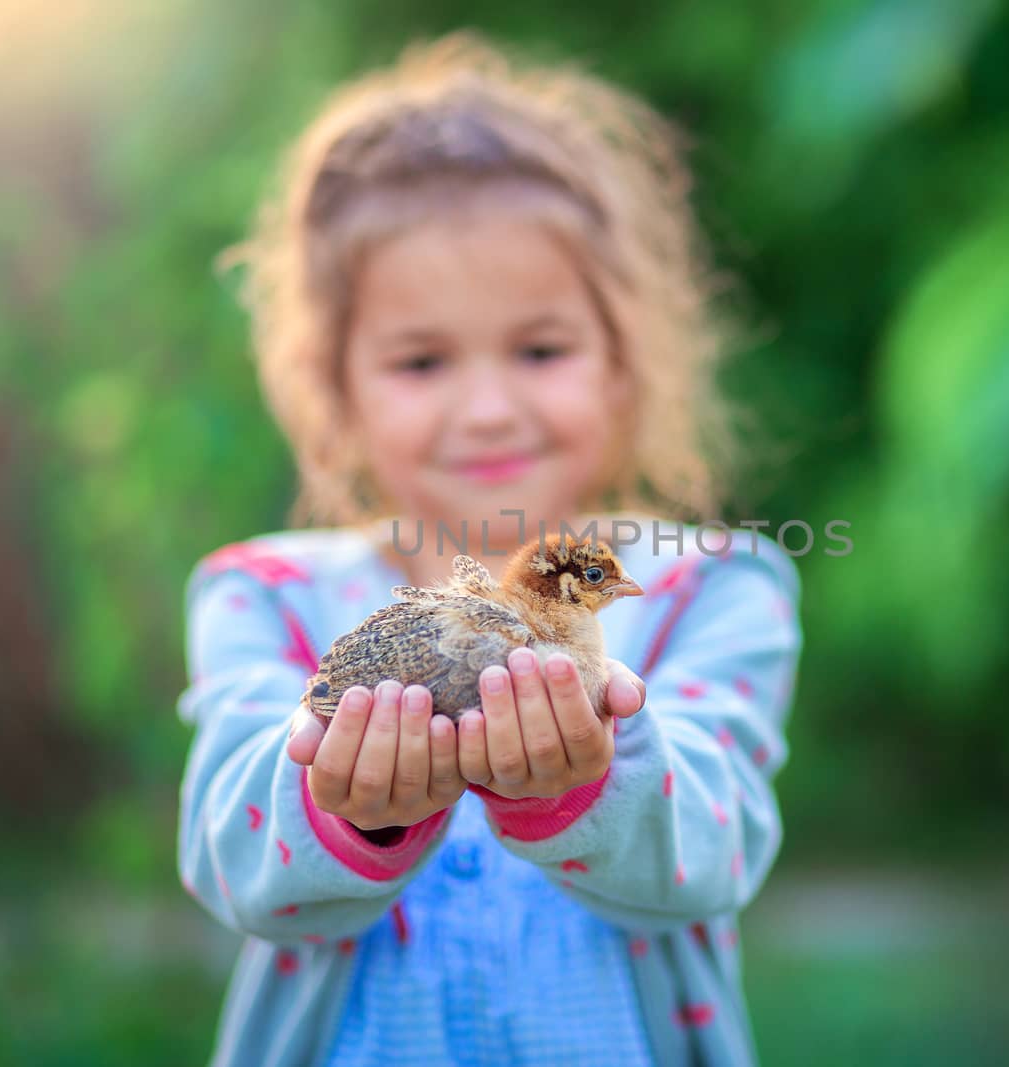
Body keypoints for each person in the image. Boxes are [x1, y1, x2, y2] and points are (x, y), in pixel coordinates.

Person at [176, 32, 802, 1067]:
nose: (488, 408)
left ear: (621, 359)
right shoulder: (266, 595)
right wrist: (346, 804)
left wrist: (585, 782)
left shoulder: (711, 587)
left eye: (540, 349)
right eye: (420, 360)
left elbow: (715, 846)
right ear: (336, 389)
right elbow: (233, 861)